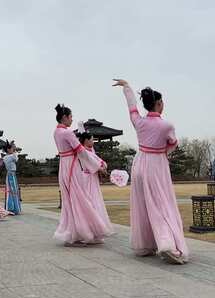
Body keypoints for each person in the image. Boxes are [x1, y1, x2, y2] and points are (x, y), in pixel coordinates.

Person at [113, 78, 189, 265]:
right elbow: (172, 143)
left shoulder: (138, 121)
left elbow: (131, 107)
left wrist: (127, 87)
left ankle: (145, 244)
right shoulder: (166, 125)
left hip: (139, 163)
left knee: (143, 204)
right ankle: (167, 243)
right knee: (162, 204)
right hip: (156, 165)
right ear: (158, 103)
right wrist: (164, 151)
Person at [53, 104, 114, 246]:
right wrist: (99, 165)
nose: (72, 119)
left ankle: (75, 232)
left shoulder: (56, 132)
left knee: (72, 201)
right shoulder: (67, 133)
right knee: (79, 200)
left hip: (64, 165)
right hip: (72, 168)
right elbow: (81, 151)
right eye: (70, 117)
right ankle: (80, 233)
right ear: (64, 117)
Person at [77, 131, 114, 234]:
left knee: (95, 200)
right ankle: (91, 227)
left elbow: (97, 161)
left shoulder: (89, 150)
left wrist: (102, 166)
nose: (93, 141)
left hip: (92, 178)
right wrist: (101, 168)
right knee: (91, 201)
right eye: (92, 139)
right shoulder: (83, 152)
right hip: (87, 179)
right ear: (86, 140)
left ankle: (95, 226)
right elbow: (94, 163)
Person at [3, 140, 21, 215]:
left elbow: (15, 157)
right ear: (8, 149)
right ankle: (13, 208)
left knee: (11, 191)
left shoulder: (6, 157)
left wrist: (13, 147)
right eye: (11, 149)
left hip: (11, 174)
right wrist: (14, 148)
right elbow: (16, 158)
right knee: (13, 191)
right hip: (11, 175)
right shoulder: (9, 157)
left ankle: (12, 208)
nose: (12, 150)